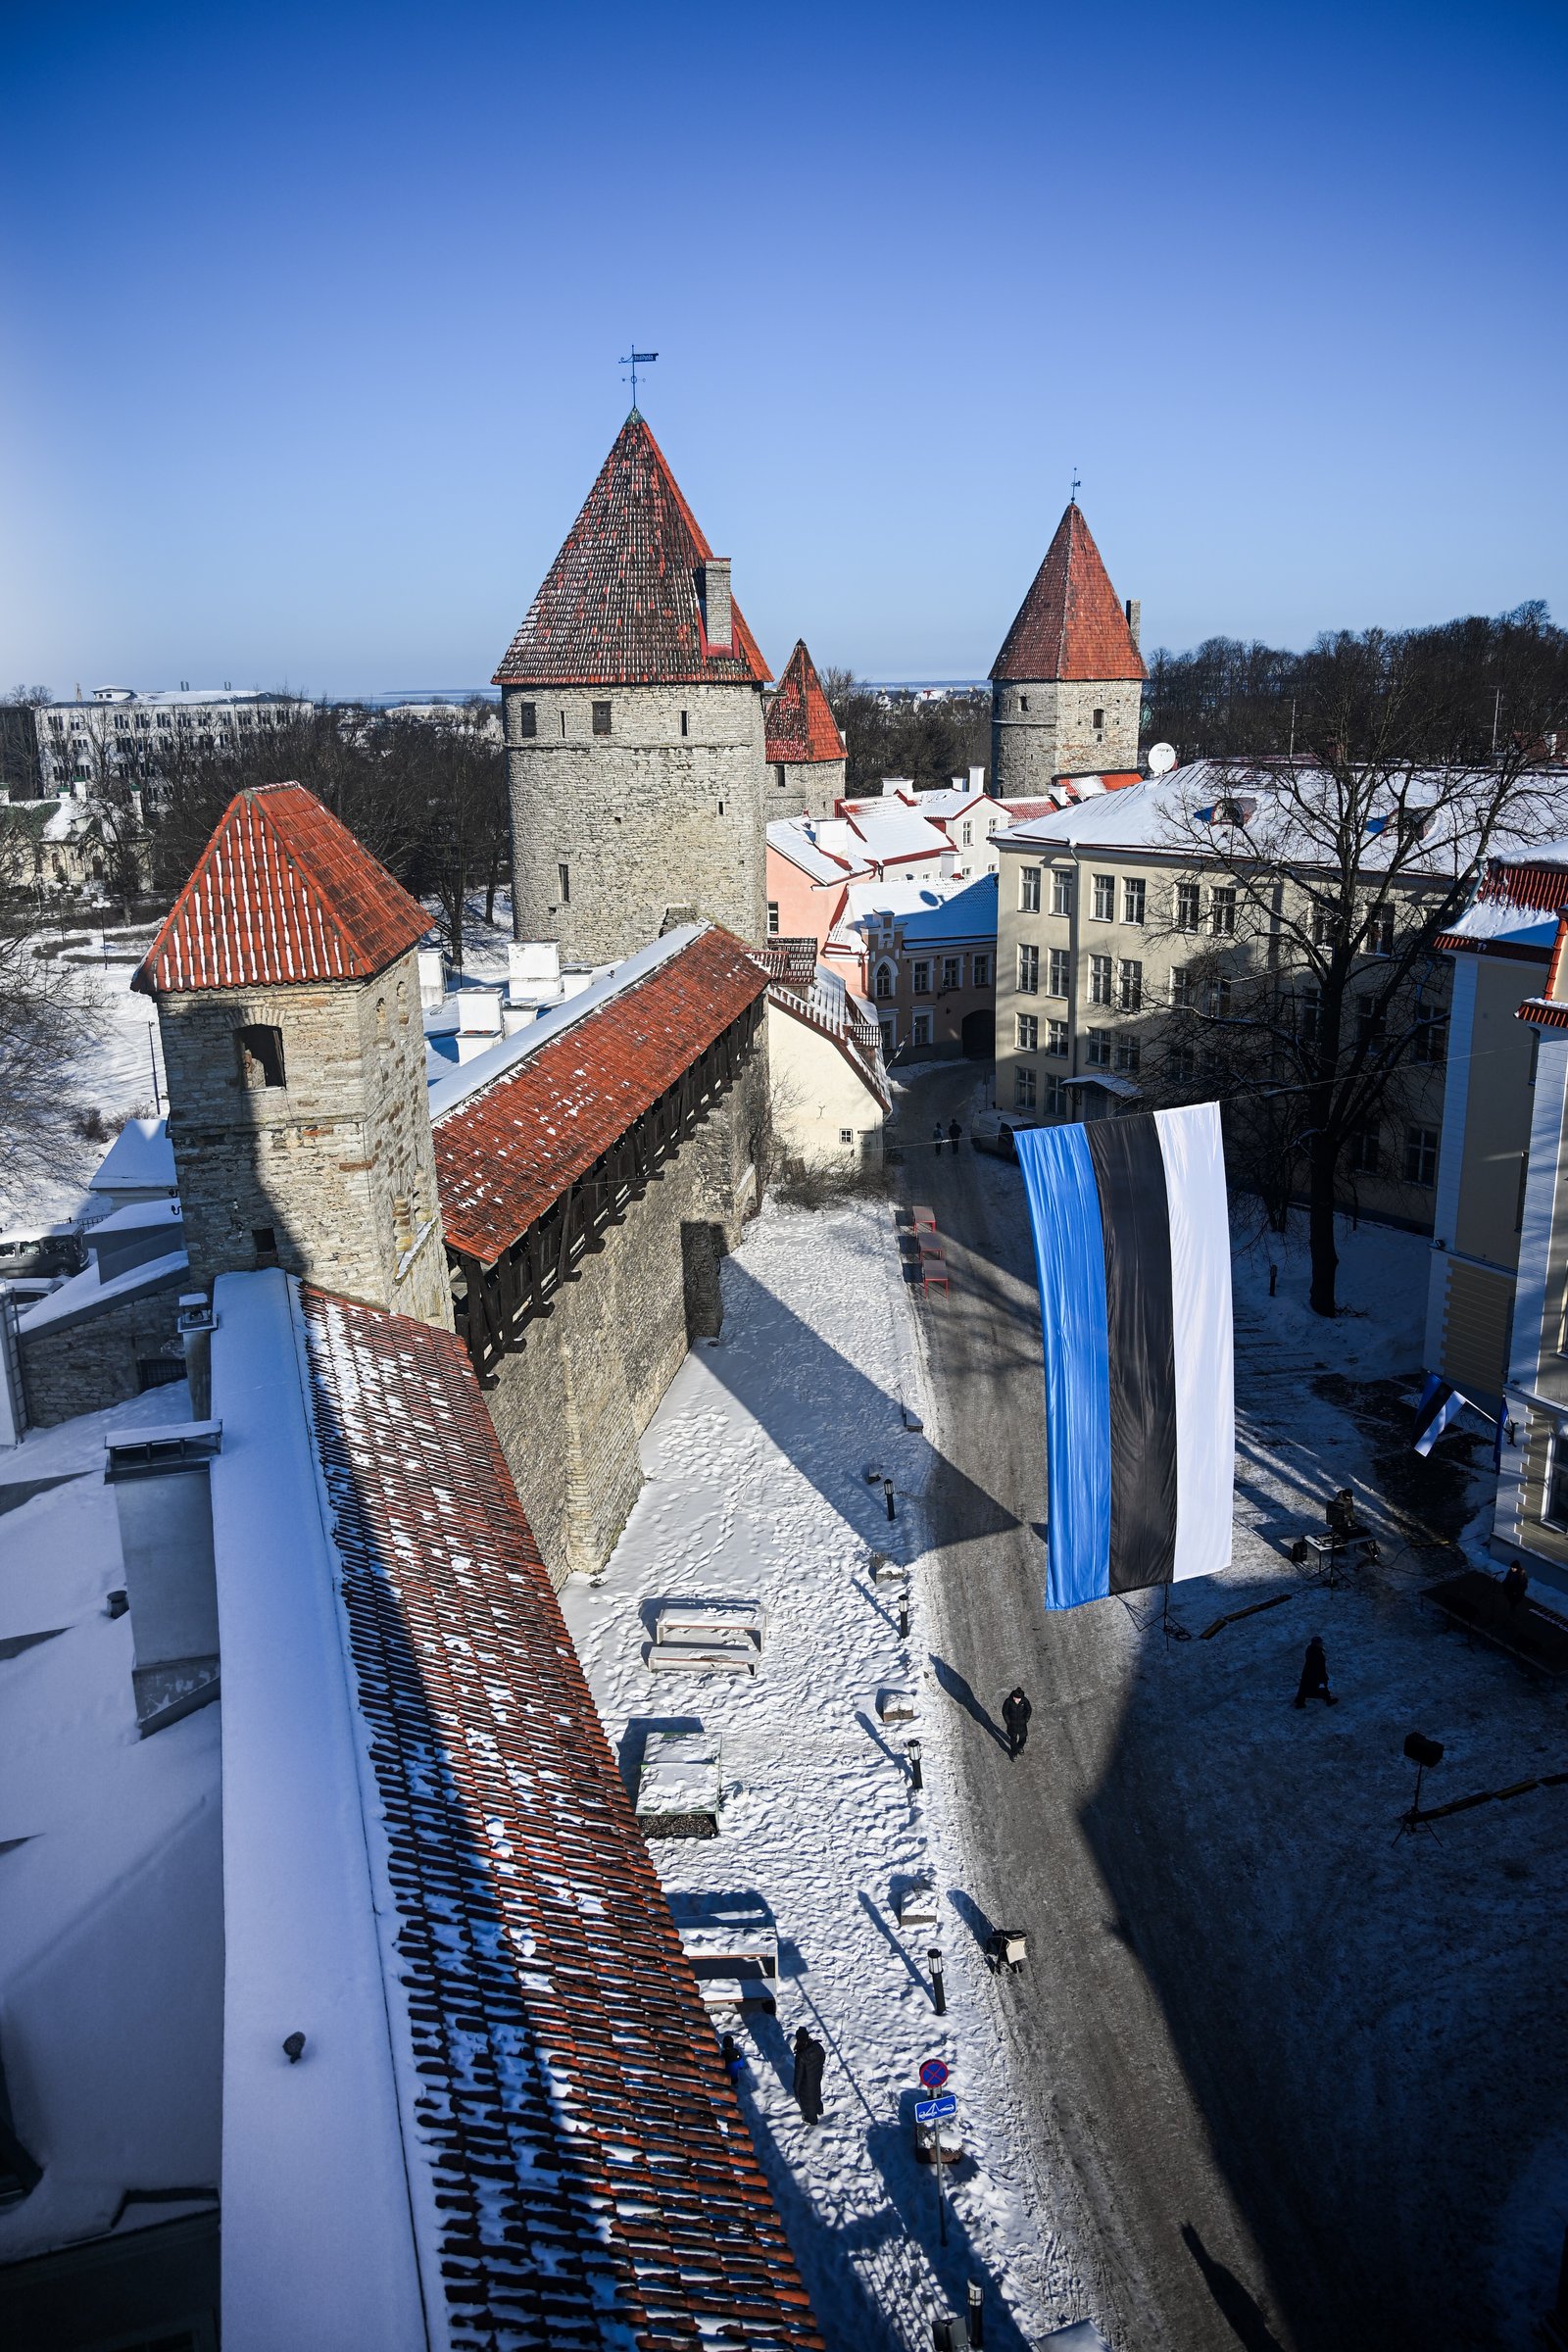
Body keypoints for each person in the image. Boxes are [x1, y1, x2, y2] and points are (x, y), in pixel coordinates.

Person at [793, 2025, 826, 2124]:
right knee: (816, 2093)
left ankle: (813, 2120)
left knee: (808, 2102)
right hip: (817, 2076)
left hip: (806, 2083)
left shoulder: (801, 2055)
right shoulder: (817, 2046)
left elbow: (798, 2075)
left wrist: (796, 2088)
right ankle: (819, 2110)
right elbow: (823, 2058)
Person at [1294, 1635, 1337, 1707]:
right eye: (1320, 1643)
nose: (1321, 1644)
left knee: (1304, 1686)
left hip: (1308, 1673)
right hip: (1316, 1674)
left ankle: (1299, 1701)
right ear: (1317, 1644)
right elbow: (1318, 1665)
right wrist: (1323, 1675)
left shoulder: (1310, 1649)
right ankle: (1328, 1700)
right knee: (1322, 1686)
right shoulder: (1316, 1652)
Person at [1002, 1686, 1032, 1757]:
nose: (1018, 1700)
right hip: (1012, 1724)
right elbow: (1004, 1712)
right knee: (1013, 1740)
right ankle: (1014, 1753)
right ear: (1013, 1697)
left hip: (1022, 1724)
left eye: (1019, 1698)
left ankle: (1020, 1747)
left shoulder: (1024, 1701)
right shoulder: (1008, 1701)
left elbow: (1029, 1710)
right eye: (1017, 1698)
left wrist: (1026, 1719)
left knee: (1023, 1738)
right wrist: (1008, 1722)